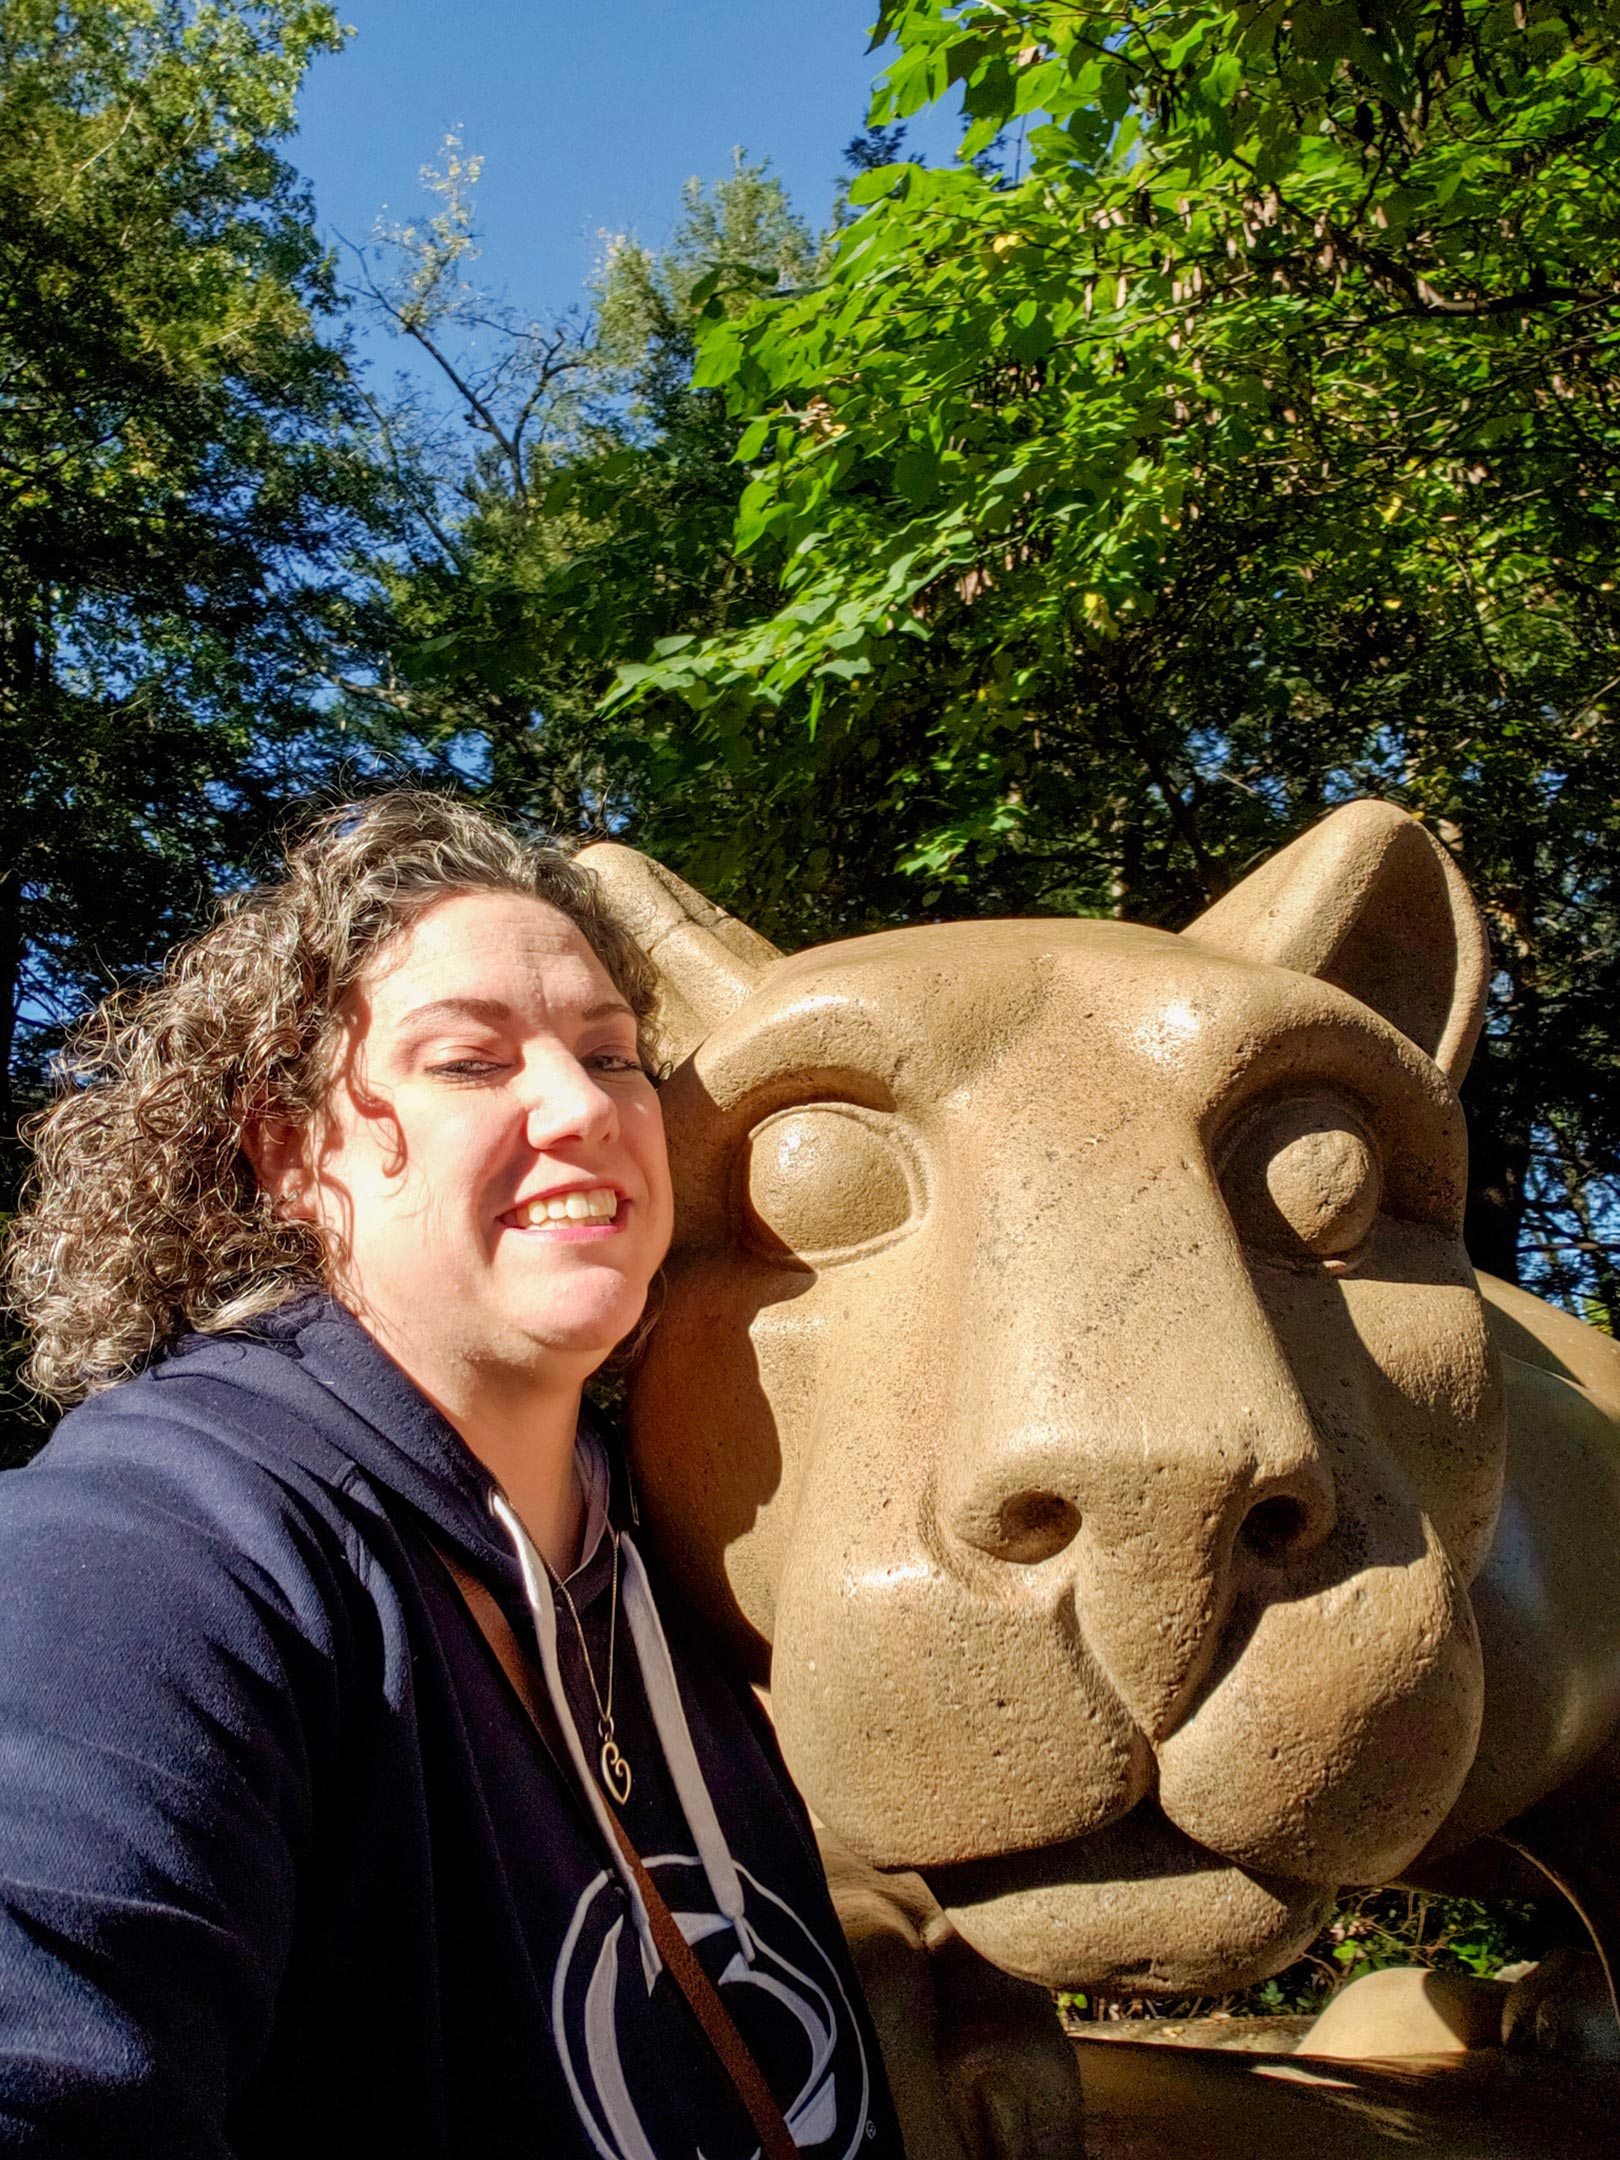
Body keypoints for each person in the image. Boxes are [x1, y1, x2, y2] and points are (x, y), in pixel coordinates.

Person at [0, 793, 904, 2159]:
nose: (581, 1106)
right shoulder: (157, 1547)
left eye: (613, 1054)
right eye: (471, 1061)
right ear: (294, 1154)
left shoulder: (680, 1563)